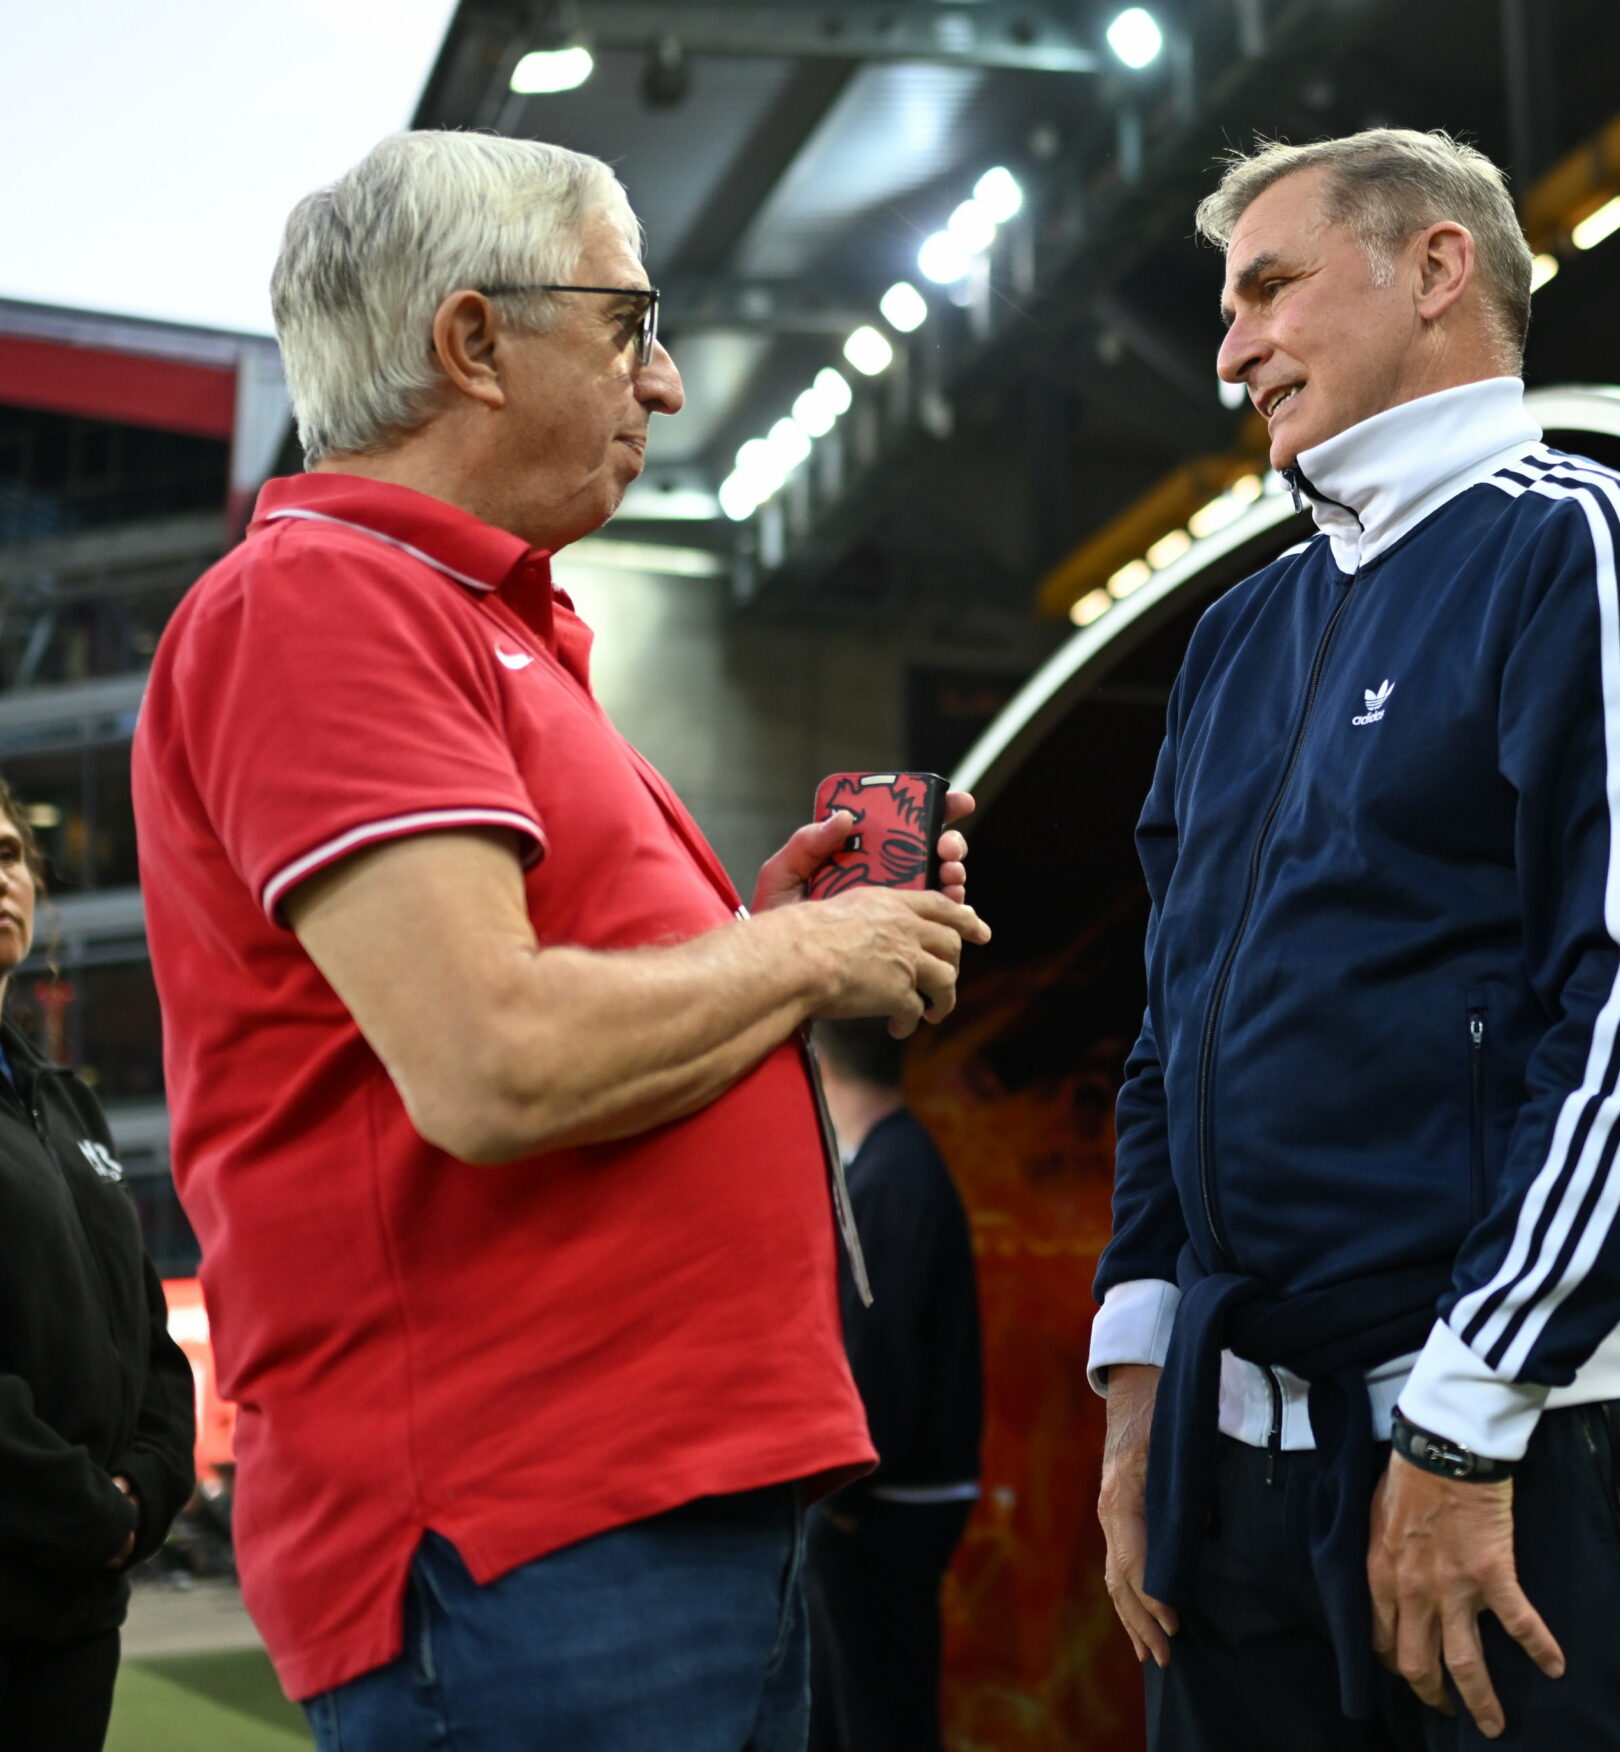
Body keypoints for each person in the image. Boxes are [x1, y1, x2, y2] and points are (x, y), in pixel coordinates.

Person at [129, 132, 989, 1752]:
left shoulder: (465, 624)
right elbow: (493, 1057)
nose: (661, 381)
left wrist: (752, 944)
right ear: (470, 341)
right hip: (533, 1540)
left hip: (616, 1523)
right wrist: (807, 961)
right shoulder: (327, 600)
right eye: (627, 320)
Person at [1088, 129, 1620, 1751]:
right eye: (1226, 304)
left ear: (1437, 270)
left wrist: (1468, 1421)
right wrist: (1141, 1394)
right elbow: (1169, 1026)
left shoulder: (1597, 547)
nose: (1230, 346)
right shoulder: (1235, 636)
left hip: (1515, 1435)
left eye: (1270, 288)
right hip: (1238, 1464)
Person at [0, 777, 197, 1752]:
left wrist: (147, 1494)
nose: (0, 877)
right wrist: (91, 1515)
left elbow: (149, 1342)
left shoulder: (64, 1104)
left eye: (7, 855)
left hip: (81, 1625)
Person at [804, 1018, 985, 1752]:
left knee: (874, 1723)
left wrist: (833, 1494)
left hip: (881, 1517)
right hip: (886, 1510)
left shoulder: (888, 1184)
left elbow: (878, 1385)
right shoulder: (890, 1168)